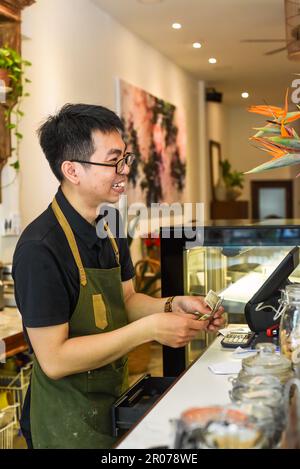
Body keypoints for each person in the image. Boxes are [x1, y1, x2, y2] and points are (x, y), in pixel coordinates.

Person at [12, 104, 225, 449]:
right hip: (65, 420)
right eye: (113, 161)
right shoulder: (40, 248)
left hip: (112, 400)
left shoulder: (109, 225)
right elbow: (54, 359)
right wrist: (149, 329)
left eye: (126, 158)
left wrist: (171, 305)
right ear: (72, 170)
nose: (125, 170)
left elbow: (125, 300)